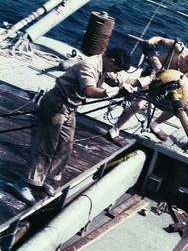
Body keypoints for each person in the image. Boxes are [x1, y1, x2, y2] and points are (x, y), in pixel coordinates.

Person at [12, 47, 132, 205]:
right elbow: (89, 91)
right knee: (46, 146)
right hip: (56, 104)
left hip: (69, 109)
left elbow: (118, 80)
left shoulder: (105, 67)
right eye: (116, 69)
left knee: (65, 146)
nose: (116, 72)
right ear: (111, 61)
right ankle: (23, 184)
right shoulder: (89, 65)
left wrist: (148, 81)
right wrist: (113, 93)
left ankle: (42, 179)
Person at [106, 37, 188, 142]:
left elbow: (180, 80)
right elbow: (160, 39)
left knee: (178, 107)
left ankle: (155, 124)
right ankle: (115, 129)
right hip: (151, 74)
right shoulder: (179, 48)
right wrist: (151, 42)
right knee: (139, 104)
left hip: (165, 84)